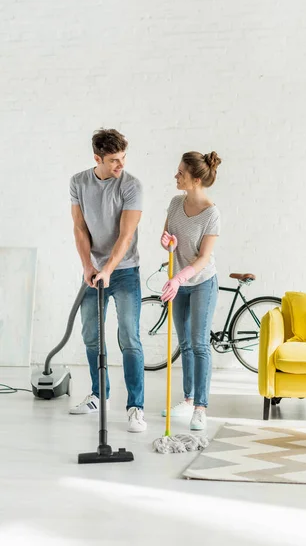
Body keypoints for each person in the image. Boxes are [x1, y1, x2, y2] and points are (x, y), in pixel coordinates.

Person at [68, 128, 146, 432]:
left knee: (129, 339)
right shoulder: (79, 182)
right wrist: (88, 266)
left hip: (125, 271)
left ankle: (135, 407)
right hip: (93, 271)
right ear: (97, 158)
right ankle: (100, 396)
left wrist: (108, 269)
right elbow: (79, 228)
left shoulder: (132, 186)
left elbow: (126, 235)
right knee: (91, 336)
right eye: (114, 160)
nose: (120, 165)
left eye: (123, 158)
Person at [160, 151, 222, 431]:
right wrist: (167, 244)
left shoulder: (211, 213)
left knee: (198, 344)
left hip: (200, 283)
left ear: (195, 180)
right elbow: (170, 239)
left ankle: (200, 407)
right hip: (179, 283)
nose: (176, 176)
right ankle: (187, 399)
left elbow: (203, 259)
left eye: (181, 173)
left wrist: (179, 278)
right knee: (184, 343)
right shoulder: (175, 203)